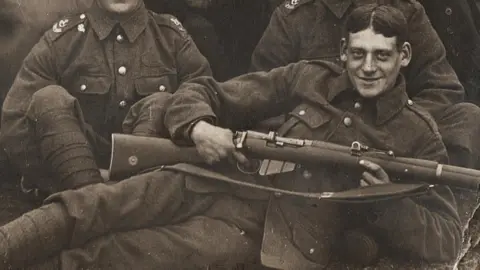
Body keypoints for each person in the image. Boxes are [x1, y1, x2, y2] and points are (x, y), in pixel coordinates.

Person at [0, 4, 462, 269]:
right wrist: (199, 125)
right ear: (342, 51)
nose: (366, 68)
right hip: (215, 178)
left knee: (124, 253)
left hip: (264, 233)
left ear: (403, 57)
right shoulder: (308, 77)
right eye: (357, 53)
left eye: (380, 57)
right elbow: (204, 89)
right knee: (92, 206)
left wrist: (385, 201)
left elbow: (445, 239)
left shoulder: (418, 135)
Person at [0, 0, 211, 197]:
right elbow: (15, 122)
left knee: (164, 102)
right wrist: (56, 180)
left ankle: (110, 208)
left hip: (145, 186)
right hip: (75, 184)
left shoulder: (171, 37)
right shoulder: (63, 40)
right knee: (48, 99)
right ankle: (93, 204)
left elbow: (205, 97)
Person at [250, 0, 480, 171]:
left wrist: (395, 129)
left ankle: (446, 226)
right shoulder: (295, 18)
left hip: (393, 146)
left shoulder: (405, 10)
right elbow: (265, 96)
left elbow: (442, 87)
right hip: (320, 149)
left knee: (467, 119)